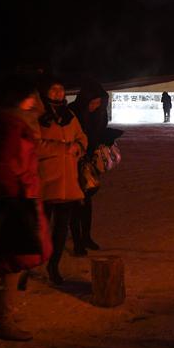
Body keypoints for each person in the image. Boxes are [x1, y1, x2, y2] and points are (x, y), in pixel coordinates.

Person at [0, 77, 51, 341]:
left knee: (19, 261)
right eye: (31, 95)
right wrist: (16, 197)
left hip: (22, 199)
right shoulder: (11, 126)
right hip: (15, 203)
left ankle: (0, 309)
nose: (36, 100)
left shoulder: (19, 123)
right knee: (14, 262)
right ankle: (4, 320)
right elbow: (3, 166)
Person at [37, 79, 88, 284]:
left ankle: (53, 265)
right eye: (53, 89)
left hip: (68, 182)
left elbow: (82, 137)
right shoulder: (37, 116)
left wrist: (78, 146)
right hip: (45, 181)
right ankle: (25, 268)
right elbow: (33, 144)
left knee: (61, 229)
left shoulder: (69, 115)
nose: (58, 93)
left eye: (61, 89)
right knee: (39, 229)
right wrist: (61, 148)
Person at [70, 79, 109, 254]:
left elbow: (99, 133)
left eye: (98, 103)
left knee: (87, 201)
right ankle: (77, 240)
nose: (95, 106)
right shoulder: (72, 112)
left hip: (90, 163)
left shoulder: (99, 114)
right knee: (75, 202)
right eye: (92, 102)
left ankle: (86, 236)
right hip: (73, 162)